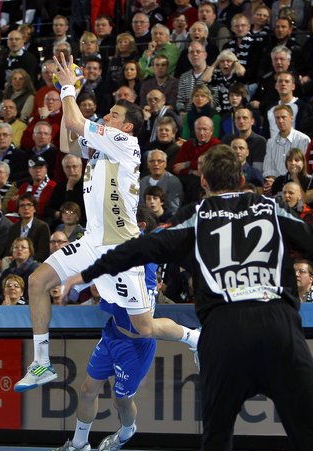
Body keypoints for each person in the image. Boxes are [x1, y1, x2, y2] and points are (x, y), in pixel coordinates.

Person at [62, 144, 313, 451]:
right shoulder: (271, 208)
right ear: (241, 178)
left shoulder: (196, 216)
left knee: (215, 448)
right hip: (278, 329)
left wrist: (86, 273)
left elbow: (141, 248)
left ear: (203, 182)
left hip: (224, 332)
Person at [16, 53, 199, 392]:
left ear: (127, 126)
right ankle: (41, 363)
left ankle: (194, 337)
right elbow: (67, 141)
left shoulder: (125, 143)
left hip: (122, 248)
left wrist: (69, 88)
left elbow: (75, 124)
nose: (106, 116)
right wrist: (68, 93)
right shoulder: (101, 147)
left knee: (144, 327)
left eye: (113, 114)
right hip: (92, 241)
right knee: (37, 281)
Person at [46, 209, 161, 451]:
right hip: (112, 334)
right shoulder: (115, 248)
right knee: (88, 388)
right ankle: (79, 443)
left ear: (139, 226)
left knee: (121, 401)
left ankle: (127, 431)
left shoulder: (146, 260)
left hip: (136, 345)